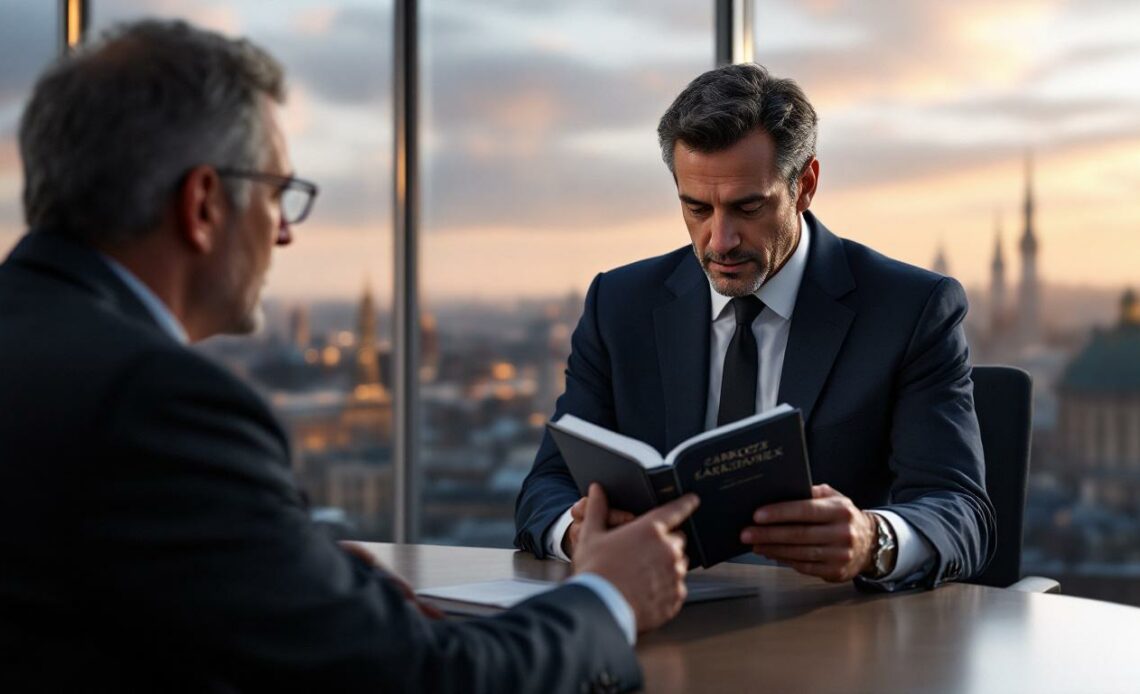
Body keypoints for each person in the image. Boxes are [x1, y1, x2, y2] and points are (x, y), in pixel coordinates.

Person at [0, 20, 699, 693]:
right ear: (204, 203)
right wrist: (608, 596)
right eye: (278, 194)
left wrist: (288, 571)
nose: (285, 237)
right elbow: (422, 680)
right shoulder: (154, 401)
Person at [515, 63, 996, 591]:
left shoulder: (911, 310)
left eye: (747, 207)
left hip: (833, 639)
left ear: (805, 185)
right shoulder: (619, 305)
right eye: (696, 208)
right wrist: (574, 533)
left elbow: (963, 512)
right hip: (658, 626)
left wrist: (872, 540)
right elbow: (548, 485)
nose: (719, 240)